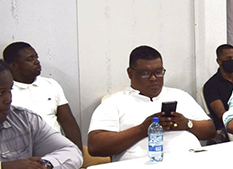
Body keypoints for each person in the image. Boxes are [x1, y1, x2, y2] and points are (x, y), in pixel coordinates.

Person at [87, 46, 215, 161]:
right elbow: (95, 146)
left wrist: (187, 124)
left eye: (158, 72)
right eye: (145, 74)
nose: (154, 78)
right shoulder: (114, 103)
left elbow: (210, 131)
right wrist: (142, 129)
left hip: (190, 162)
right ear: (130, 73)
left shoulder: (180, 95)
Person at [2, 41, 83, 150]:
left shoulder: (51, 84)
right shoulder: (5, 92)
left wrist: (77, 153)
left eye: (36, 58)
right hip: (22, 154)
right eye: (30, 59)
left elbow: (68, 122)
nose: (37, 62)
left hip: (58, 150)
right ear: (13, 66)